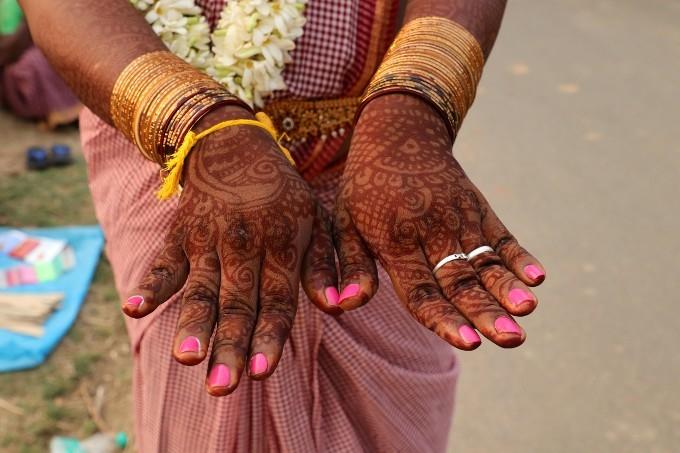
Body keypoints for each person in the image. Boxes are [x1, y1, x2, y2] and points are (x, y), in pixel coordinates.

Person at [19, 0, 546, 451]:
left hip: (375, 168)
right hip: (171, 163)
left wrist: (413, 108)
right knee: (200, 375)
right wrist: (200, 128)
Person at [0, 0, 80, 128]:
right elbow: (10, 46)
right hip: (13, 56)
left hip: (37, 45)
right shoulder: (10, 5)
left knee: (54, 58)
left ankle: (67, 110)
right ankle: (49, 111)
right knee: (33, 64)